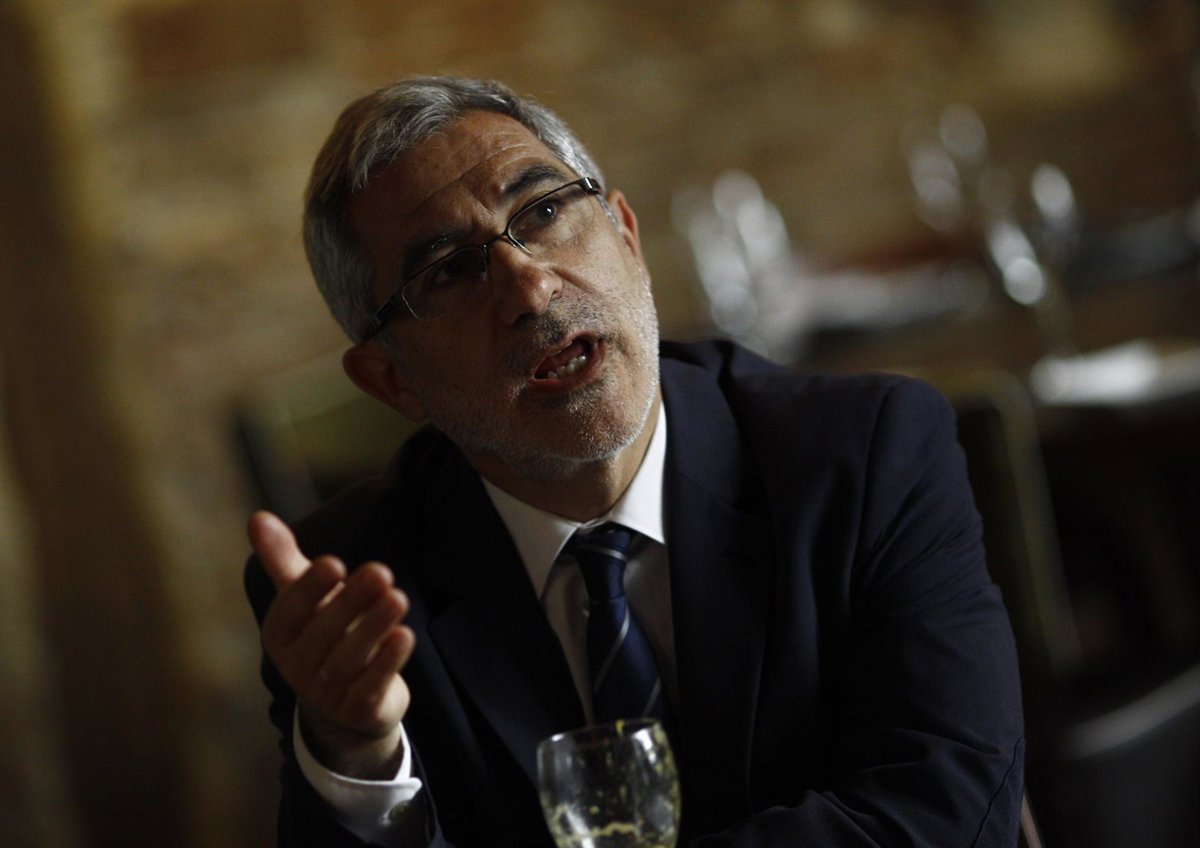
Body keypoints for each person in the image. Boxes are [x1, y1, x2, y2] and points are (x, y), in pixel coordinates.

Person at [244, 76, 1025, 847]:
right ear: (391, 380)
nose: (530, 286)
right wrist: (355, 755)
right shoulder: (349, 589)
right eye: (448, 269)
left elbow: (944, 809)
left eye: (544, 212)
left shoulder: (866, 452)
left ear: (626, 235)